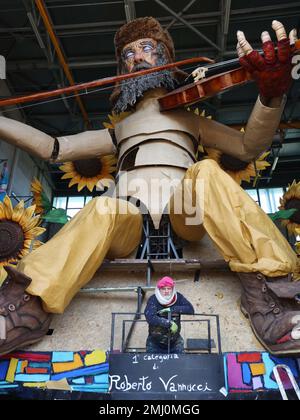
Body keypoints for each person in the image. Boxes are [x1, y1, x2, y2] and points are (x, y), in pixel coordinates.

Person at [0, 16, 299, 356]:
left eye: (146, 48)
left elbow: (249, 148)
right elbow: (53, 148)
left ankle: (274, 295)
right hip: (128, 221)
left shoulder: (191, 121)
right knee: (103, 206)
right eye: (128, 53)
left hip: (183, 216)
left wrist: (270, 97)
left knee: (206, 171)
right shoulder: (120, 131)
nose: (137, 57)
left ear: (165, 58)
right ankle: (24, 307)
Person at [144, 276, 194, 353]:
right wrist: (169, 323)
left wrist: (172, 309)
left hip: (175, 343)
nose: (166, 291)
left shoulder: (178, 297)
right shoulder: (153, 299)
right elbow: (150, 317)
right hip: (154, 344)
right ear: (159, 289)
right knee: (153, 365)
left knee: (178, 364)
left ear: (172, 289)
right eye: (163, 289)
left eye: (169, 288)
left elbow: (190, 309)